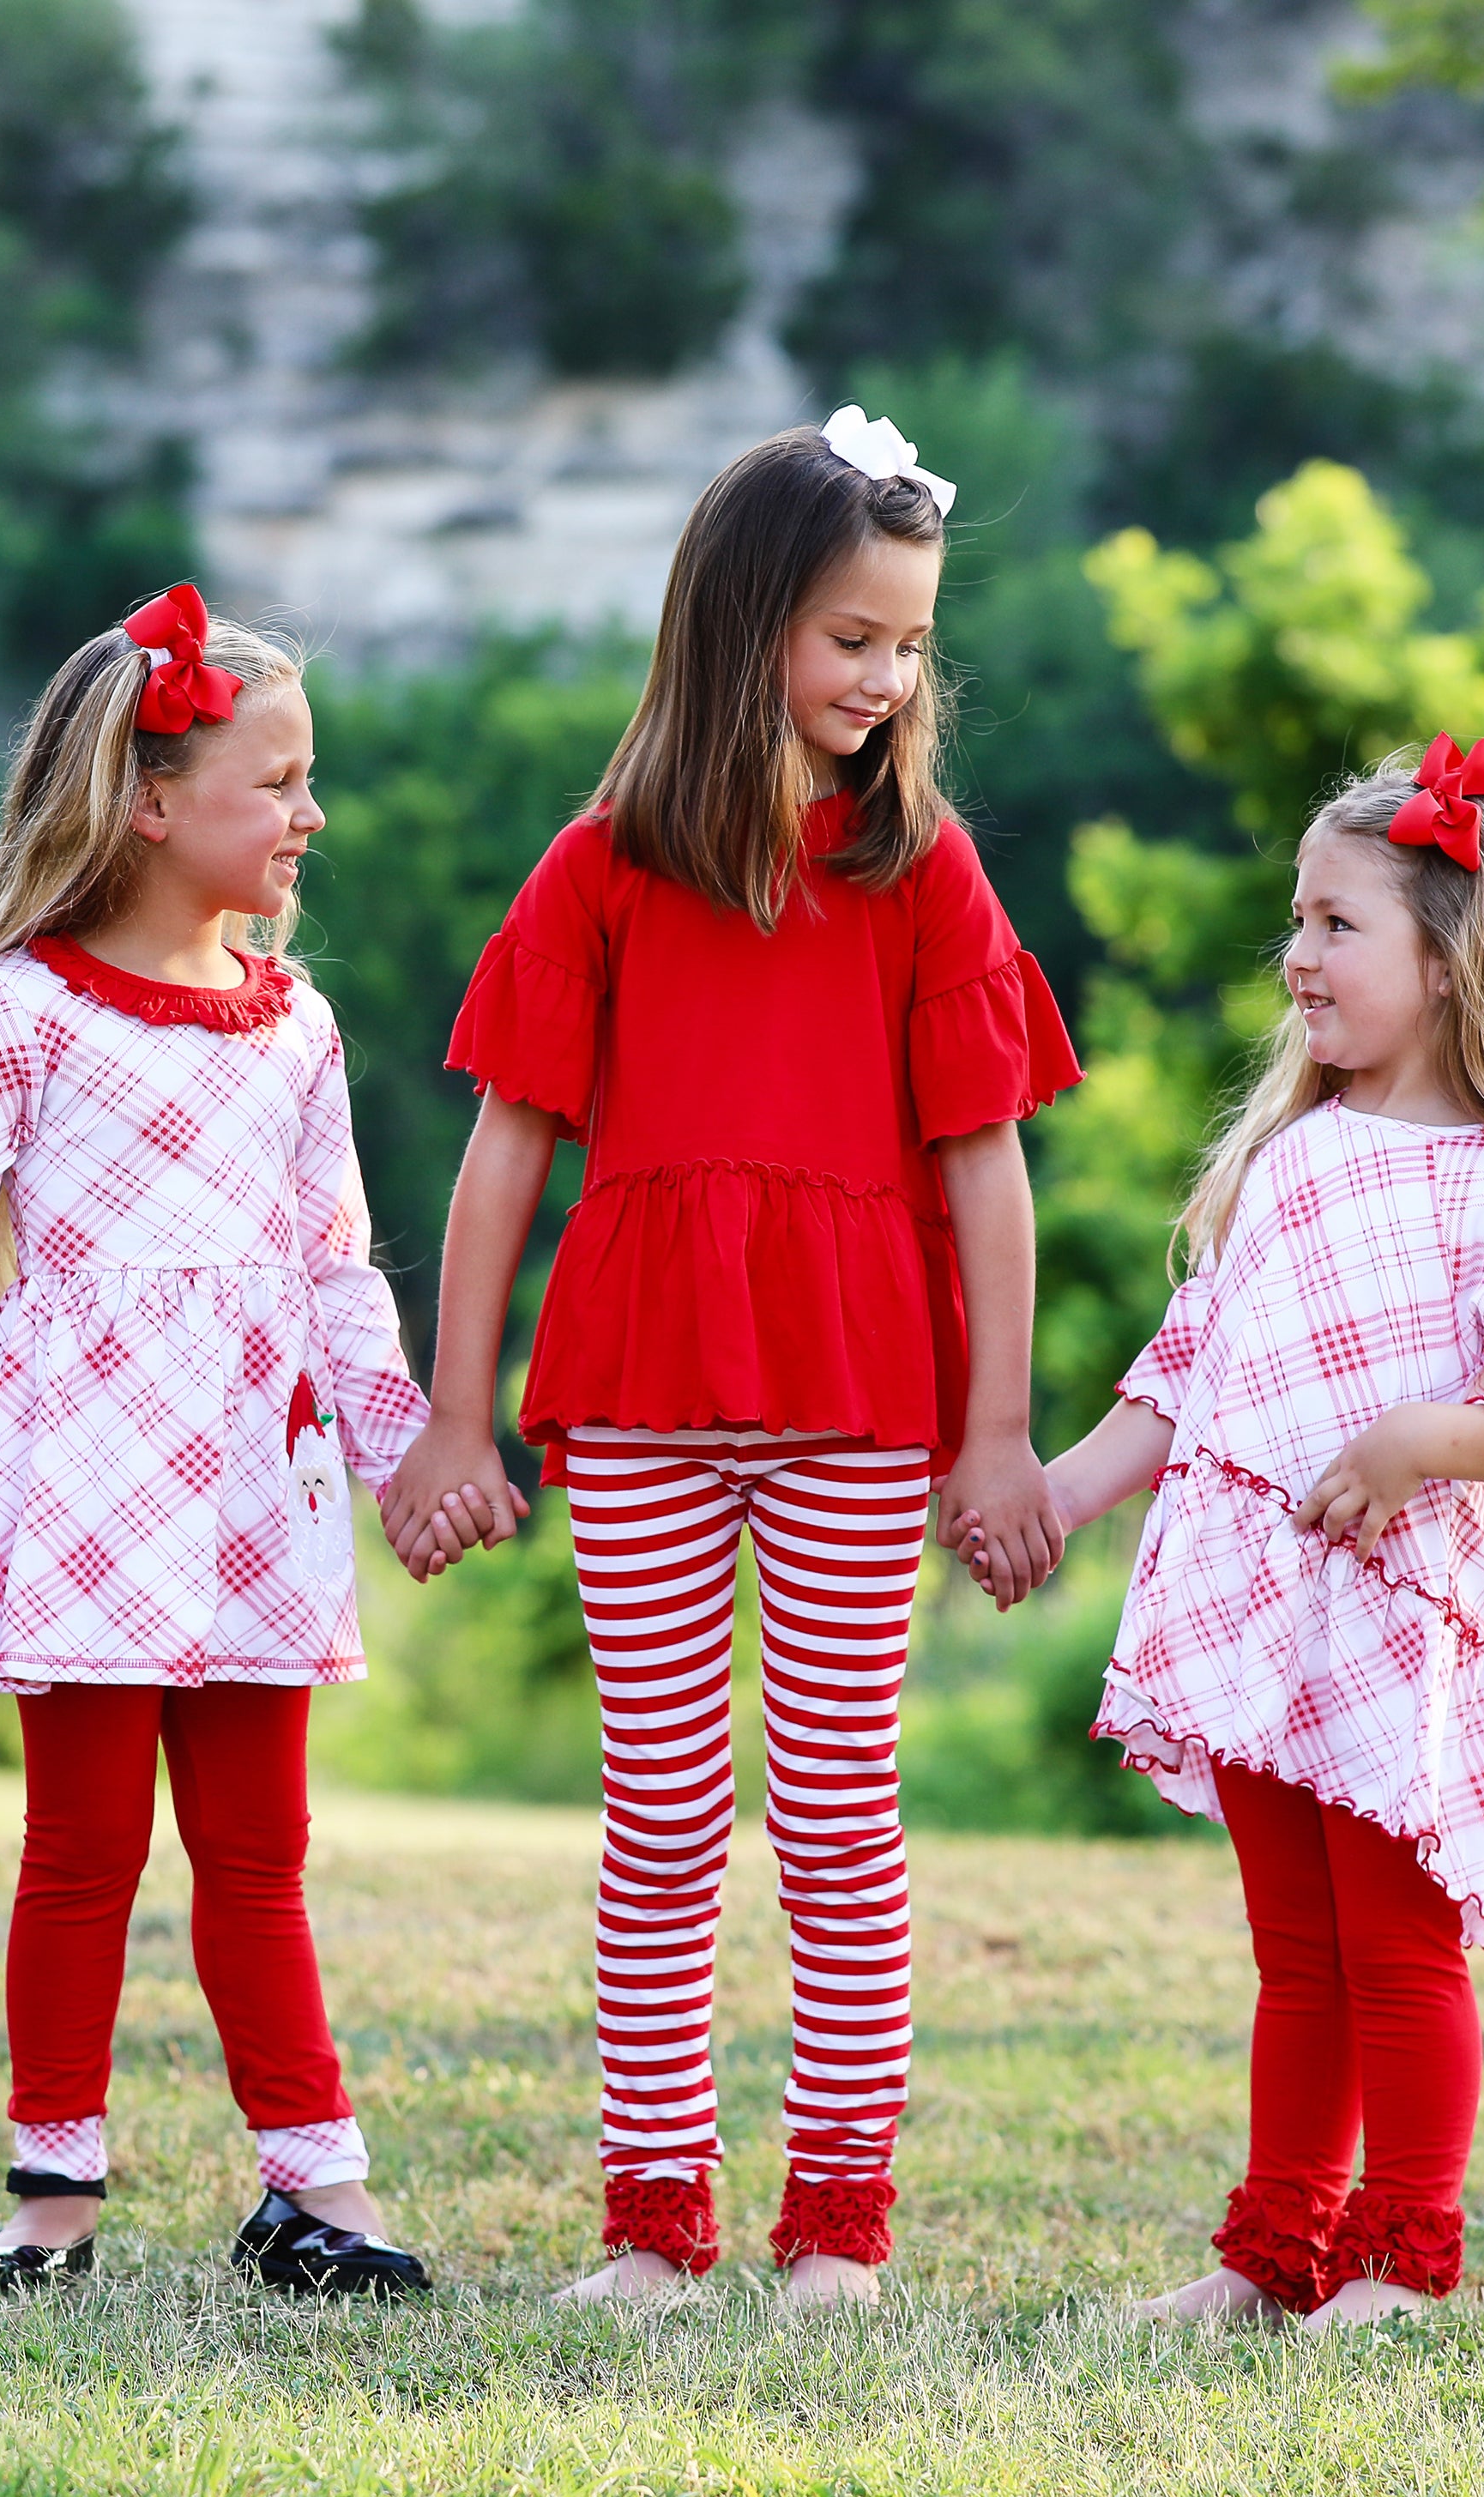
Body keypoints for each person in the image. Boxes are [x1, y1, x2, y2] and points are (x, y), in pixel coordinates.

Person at [382, 408, 1083, 2304]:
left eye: (912, 644)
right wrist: (460, 1416)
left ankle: (838, 2229)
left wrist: (1001, 1437)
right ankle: (655, 2229)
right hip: (639, 1387)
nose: (885, 677)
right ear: (742, 619)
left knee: (844, 1813)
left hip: (863, 1394)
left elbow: (987, 1166)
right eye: (852, 635)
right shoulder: (606, 863)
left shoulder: (919, 875)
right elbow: (507, 1144)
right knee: (662, 1819)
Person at [0, 586, 468, 2296]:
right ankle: (54, 2195)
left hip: (258, 1482)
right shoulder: (23, 1010)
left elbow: (335, 1262)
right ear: (153, 800)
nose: (312, 815)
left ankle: (316, 2189)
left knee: (260, 1852)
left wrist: (402, 1452)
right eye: (281, 781)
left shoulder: (298, 1023)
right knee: (82, 1851)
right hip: (88, 1479)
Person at [980, 740, 1484, 2329]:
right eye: (1295, 919)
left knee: (1398, 1953)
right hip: (1257, 1614)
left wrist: (1428, 1437)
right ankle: (1271, 2251)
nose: (1294, 954)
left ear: (1450, 961)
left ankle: (1404, 2255)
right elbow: (1190, 1371)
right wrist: (1062, 1493)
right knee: (1294, 1952)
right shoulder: (1292, 1158)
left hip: (1392, 1629)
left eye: (1336, 925)